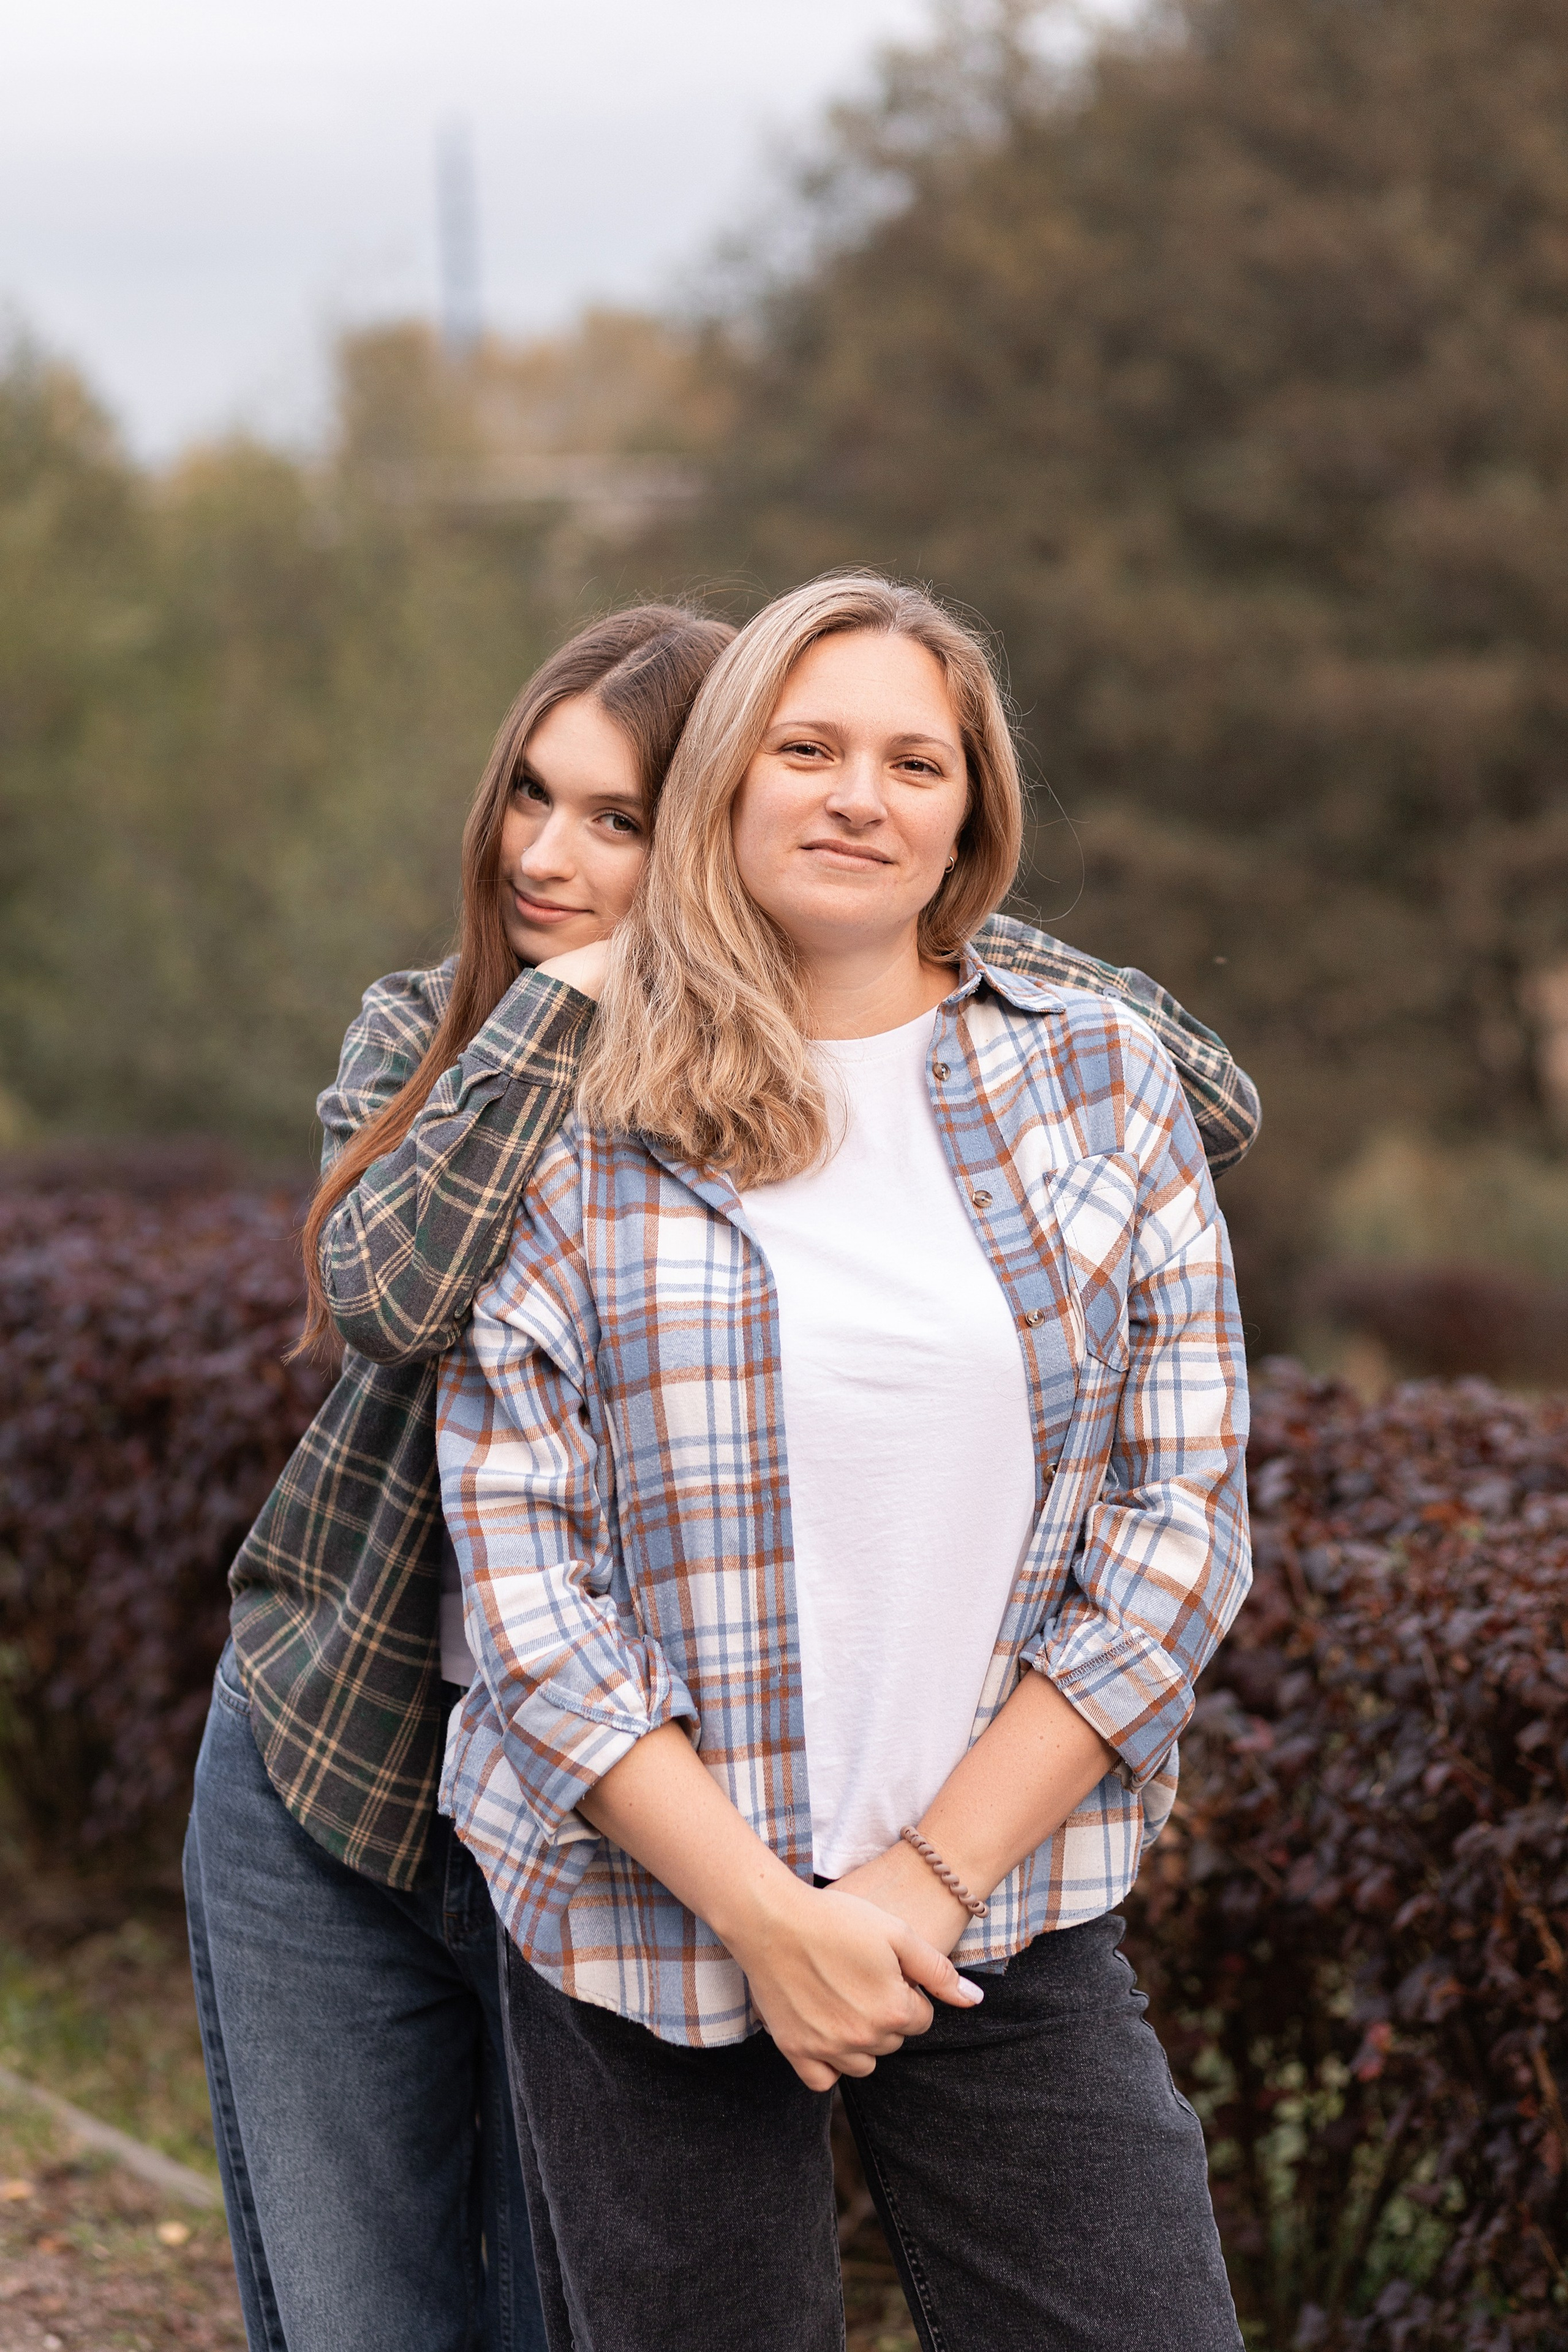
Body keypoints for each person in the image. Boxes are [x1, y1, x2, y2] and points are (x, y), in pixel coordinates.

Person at [187, 586, 1257, 2352]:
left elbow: (1178, 1491)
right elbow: (402, 1335)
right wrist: (589, 994)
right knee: (384, 2314)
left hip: (889, 1869)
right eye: (530, 797)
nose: (551, 857)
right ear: (738, 798)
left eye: (617, 815)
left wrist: (929, 933)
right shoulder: (496, 1063)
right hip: (419, 1790)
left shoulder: (1071, 1069)